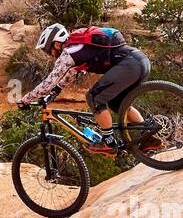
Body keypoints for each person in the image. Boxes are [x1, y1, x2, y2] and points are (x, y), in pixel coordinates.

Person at [18, 23, 152, 151]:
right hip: (140, 62)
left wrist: (26, 99)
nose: (51, 55)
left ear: (57, 44)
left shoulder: (68, 52)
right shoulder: (79, 46)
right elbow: (70, 73)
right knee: (117, 104)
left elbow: (48, 83)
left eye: (49, 51)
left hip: (129, 66)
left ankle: (109, 142)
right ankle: (148, 136)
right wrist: (56, 91)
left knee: (93, 97)